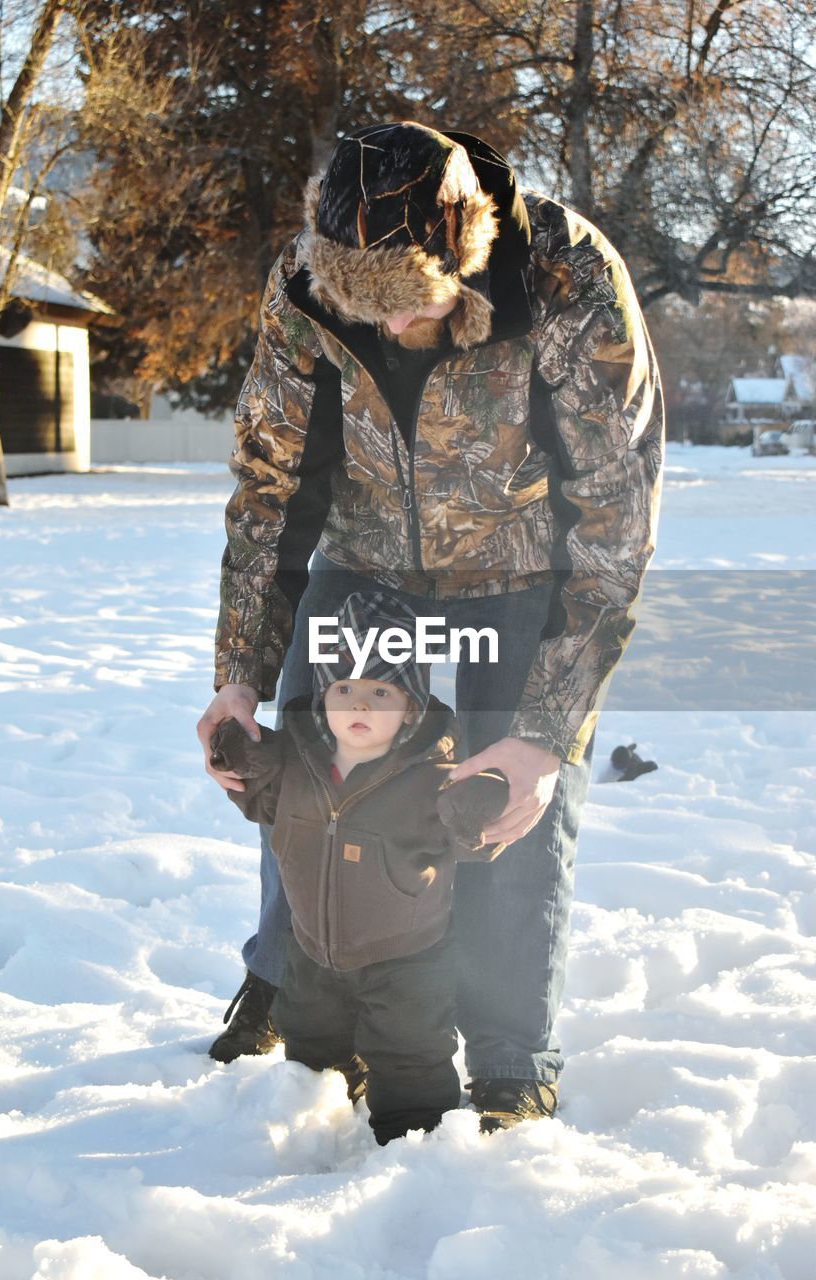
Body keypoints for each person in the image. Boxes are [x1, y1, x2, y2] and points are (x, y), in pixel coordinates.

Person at [197, 121, 664, 1127]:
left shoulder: (566, 279)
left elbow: (616, 523)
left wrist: (543, 734)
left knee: (506, 805)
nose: (392, 329)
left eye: (409, 303)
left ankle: (508, 1057)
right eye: (367, 311)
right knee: (308, 775)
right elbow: (272, 480)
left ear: (465, 248)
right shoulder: (302, 283)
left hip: (520, 566)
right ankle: (289, 985)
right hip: (365, 561)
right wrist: (239, 669)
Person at [209, 590, 508, 1144]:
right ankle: (318, 1117)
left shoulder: (430, 777)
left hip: (406, 960)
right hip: (311, 950)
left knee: (410, 1054)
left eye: (380, 691)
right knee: (310, 1041)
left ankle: (412, 1140)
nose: (359, 707)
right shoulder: (296, 761)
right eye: (343, 689)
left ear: (412, 704)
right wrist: (237, 757)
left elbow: (472, 840)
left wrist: (475, 808)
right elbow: (258, 796)